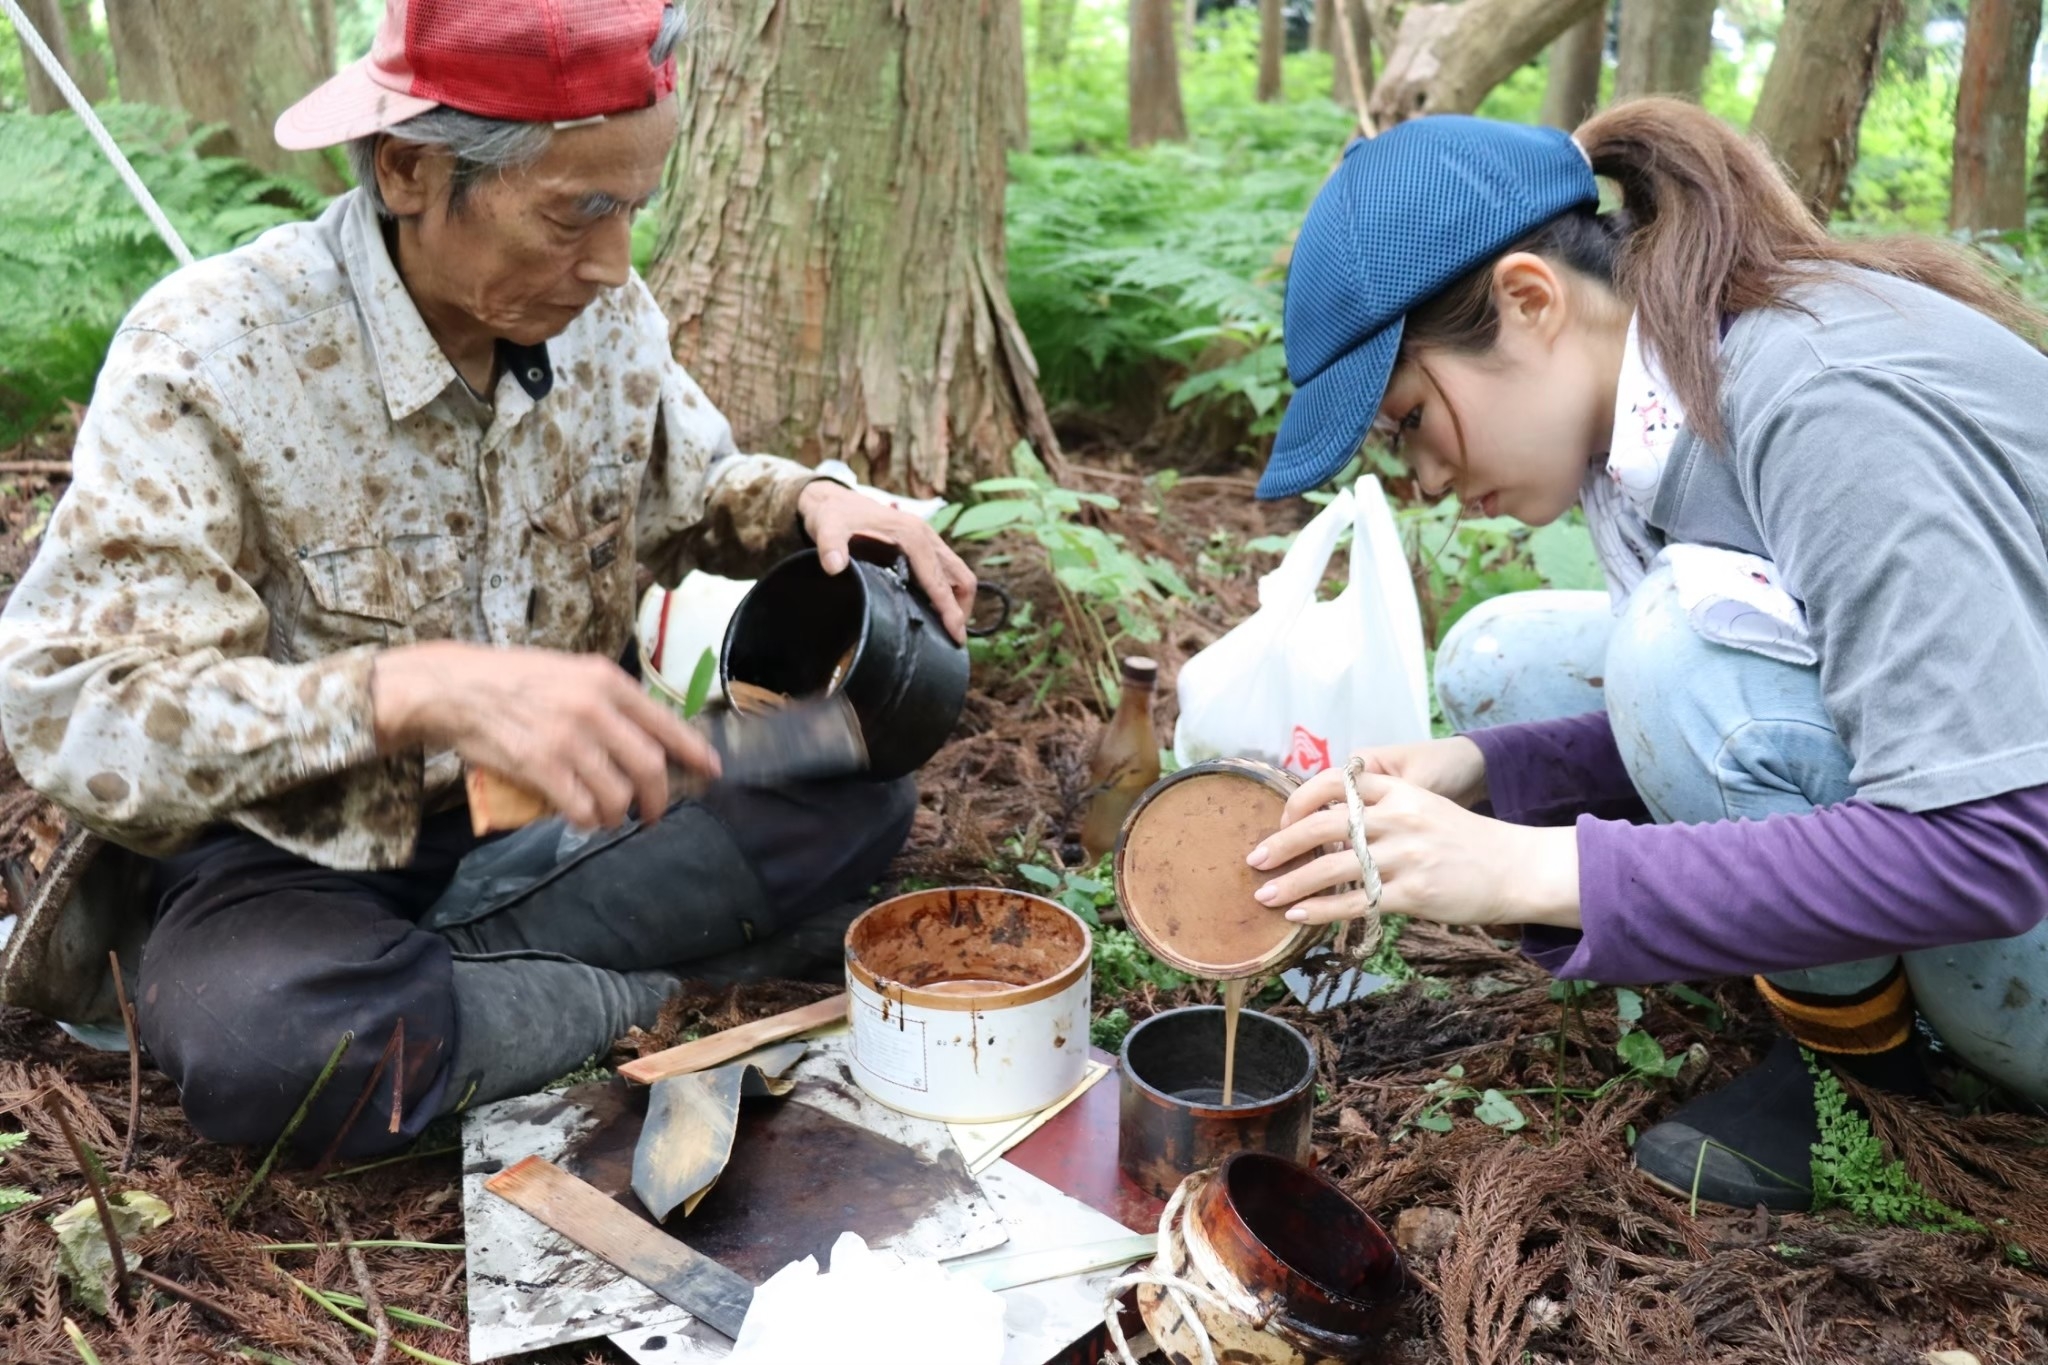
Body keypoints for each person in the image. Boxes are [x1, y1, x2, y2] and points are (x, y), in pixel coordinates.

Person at [0, 0, 976, 1160]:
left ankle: (459, 982)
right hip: (301, 858)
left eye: (633, 210)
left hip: (564, 811)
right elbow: (76, 703)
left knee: (861, 784)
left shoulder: (602, 319)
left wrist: (809, 502)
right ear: (412, 170)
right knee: (273, 1049)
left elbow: (691, 487)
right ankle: (627, 988)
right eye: (580, 212)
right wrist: (405, 692)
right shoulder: (213, 354)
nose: (615, 265)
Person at [1246, 100, 2048, 1211]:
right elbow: (1789, 702)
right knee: (1502, 659)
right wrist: (1487, 779)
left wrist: (1526, 869)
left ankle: (1858, 1090)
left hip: (2020, 896)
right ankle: (1842, 998)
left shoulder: (1821, 399)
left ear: (1528, 301)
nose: (1421, 476)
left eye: (1410, 418)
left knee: (1670, 639)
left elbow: (1988, 844)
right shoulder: (1656, 414)